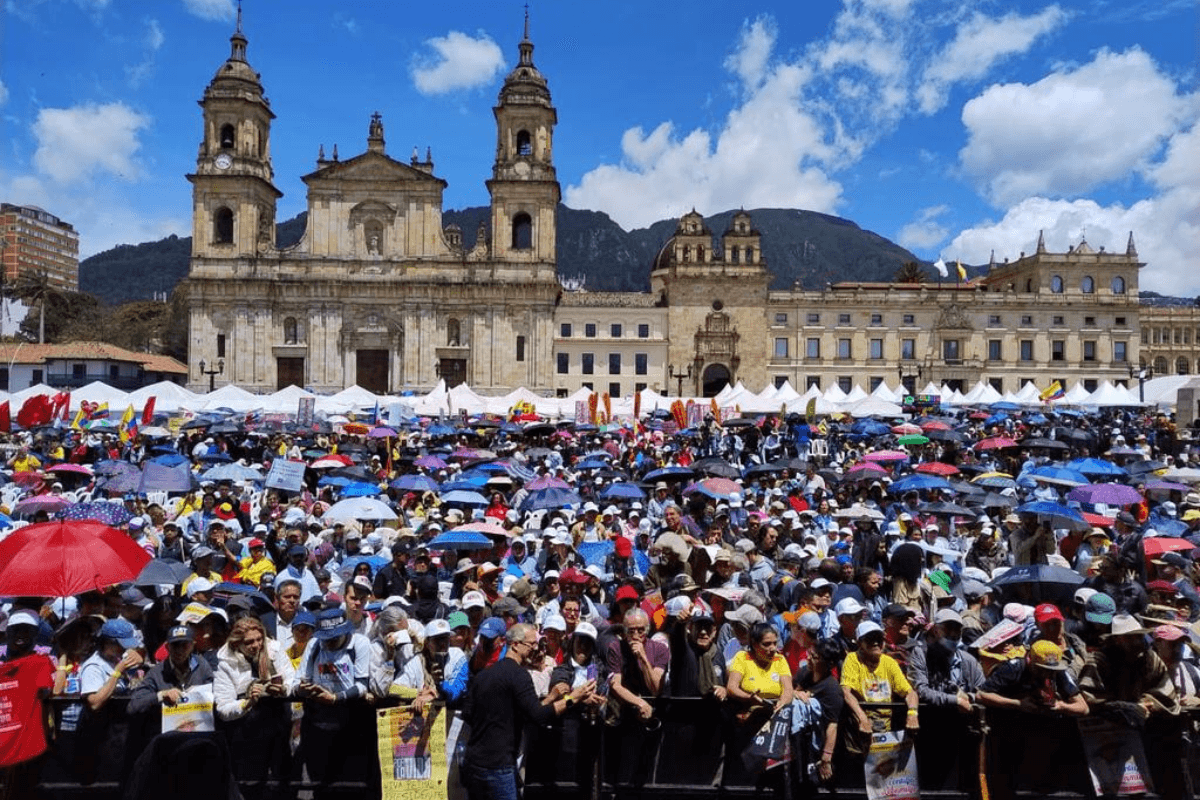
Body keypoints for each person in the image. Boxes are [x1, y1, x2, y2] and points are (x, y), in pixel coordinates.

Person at [461, 622, 595, 800]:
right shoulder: (519, 675)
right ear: (515, 645)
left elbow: (469, 714)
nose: (535, 649)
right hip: (499, 765)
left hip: (474, 764)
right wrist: (574, 698)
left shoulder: (484, 675)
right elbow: (539, 716)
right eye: (531, 644)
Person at [213, 616, 296, 800]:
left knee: (282, 782)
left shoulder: (274, 649)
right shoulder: (226, 664)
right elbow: (223, 708)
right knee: (252, 787)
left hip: (279, 725)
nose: (256, 645)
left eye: (259, 639)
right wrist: (247, 702)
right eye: (249, 642)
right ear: (237, 644)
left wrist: (283, 689)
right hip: (248, 733)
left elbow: (292, 678)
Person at [295, 608, 374, 799]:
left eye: (333, 638)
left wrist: (336, 698)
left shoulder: (360, 644)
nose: (329, 643)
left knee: (351, 784)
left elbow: (362, 685)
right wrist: (306, 689)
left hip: (351, 723)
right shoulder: (314, 645)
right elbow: (300, 679)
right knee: (321, 785)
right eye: (326, 638)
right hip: (318, 723)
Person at [127, 624, 216, 736]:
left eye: (184, 645)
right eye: (175, 645)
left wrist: (199, 693)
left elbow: (214, 691)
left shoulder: (202, 665)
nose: (179, 650)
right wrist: (161, 695)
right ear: (167, 647)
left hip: (198, 733)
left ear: (192, 646)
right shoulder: (157, 672)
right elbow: (133, 706)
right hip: (168, 737)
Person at [840, 620, 919, 738]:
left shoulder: (889, 662)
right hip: (860, 726)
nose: (876, 643)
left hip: (886, 727)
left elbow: (910, 693)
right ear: (860, 643)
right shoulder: (853, 659)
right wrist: (862, 718)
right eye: (870, 639)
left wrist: (912, 714)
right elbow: (846, 692)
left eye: (879, 639)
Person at [605, 607, 667, 722]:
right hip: (626, 709)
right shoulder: (616, 648)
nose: (635, 635)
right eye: (631, 631)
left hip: (654, 710)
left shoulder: (660, 649)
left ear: (647, 630)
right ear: (624, 631)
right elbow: (615, 685)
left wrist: (643, 659)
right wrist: (640, 703)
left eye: (640, 630)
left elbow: (656, 688)